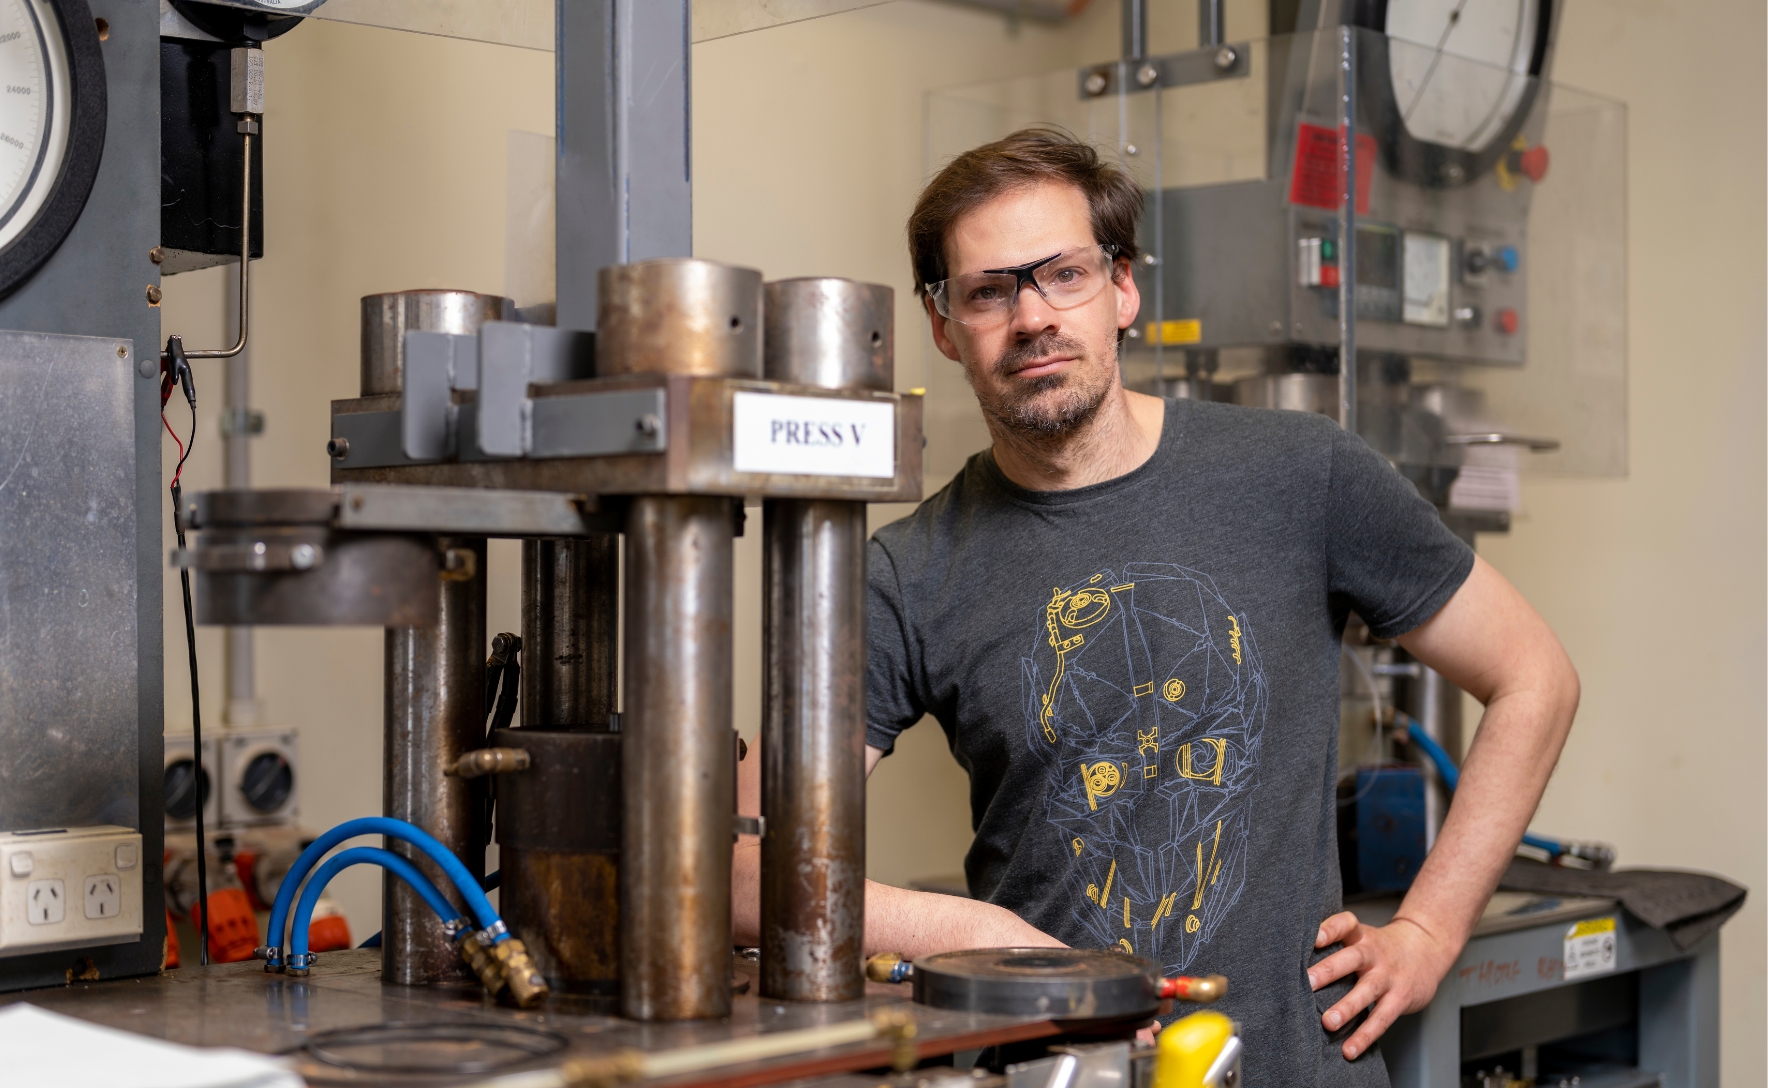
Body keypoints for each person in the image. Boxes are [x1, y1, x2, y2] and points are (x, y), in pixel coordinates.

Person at [733, 127, 1578, 1084]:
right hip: (1052, 1065)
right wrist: (980, 932)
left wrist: (1428, 929)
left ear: (1122, 288)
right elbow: (743, 873)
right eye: (987, 290)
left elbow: (1533, 679)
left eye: (1063, 274)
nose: (1032, 317)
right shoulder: (908, 570)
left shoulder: (1302, 474)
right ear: (942, 324)